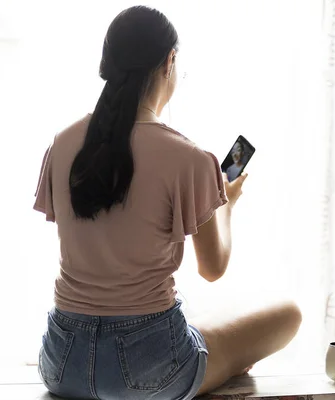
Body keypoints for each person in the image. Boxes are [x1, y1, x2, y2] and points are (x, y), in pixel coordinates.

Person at [33, 6, 301, 400]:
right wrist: (225, 207)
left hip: (61, 362)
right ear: (170, 61)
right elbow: (213, 268)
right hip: (148, 368)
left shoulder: (63, 142)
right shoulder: (189, 157)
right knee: (288, 314)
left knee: (198, 319)